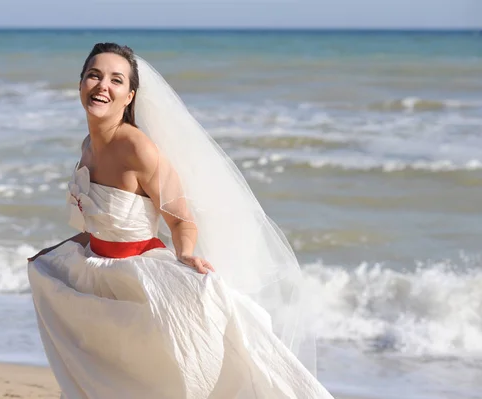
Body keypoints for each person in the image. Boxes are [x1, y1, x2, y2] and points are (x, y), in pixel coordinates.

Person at [27, 42, 334, 399]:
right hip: (97, 272)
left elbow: (181, 219)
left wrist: (185, 254)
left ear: (129, 97)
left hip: (135, 279)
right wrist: (61, 250)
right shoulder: (87, 146)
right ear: (80, 84)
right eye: (94, 76)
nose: (102, 86)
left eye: (116, 80)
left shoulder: (139, 149)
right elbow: (99, 222)